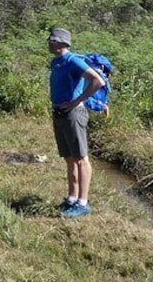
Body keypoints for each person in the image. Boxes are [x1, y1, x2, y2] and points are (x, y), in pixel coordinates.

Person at [47, 28, 105, 219]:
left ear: (63, 44)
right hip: (60, 112)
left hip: (74, 113)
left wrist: (76, 101)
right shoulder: (56, 63)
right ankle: (72, 198)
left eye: (53, 40)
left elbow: (98, 81)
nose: (49, 43)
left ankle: (83, 202)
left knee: (81, 158)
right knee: (69, 158)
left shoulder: (73, 61)